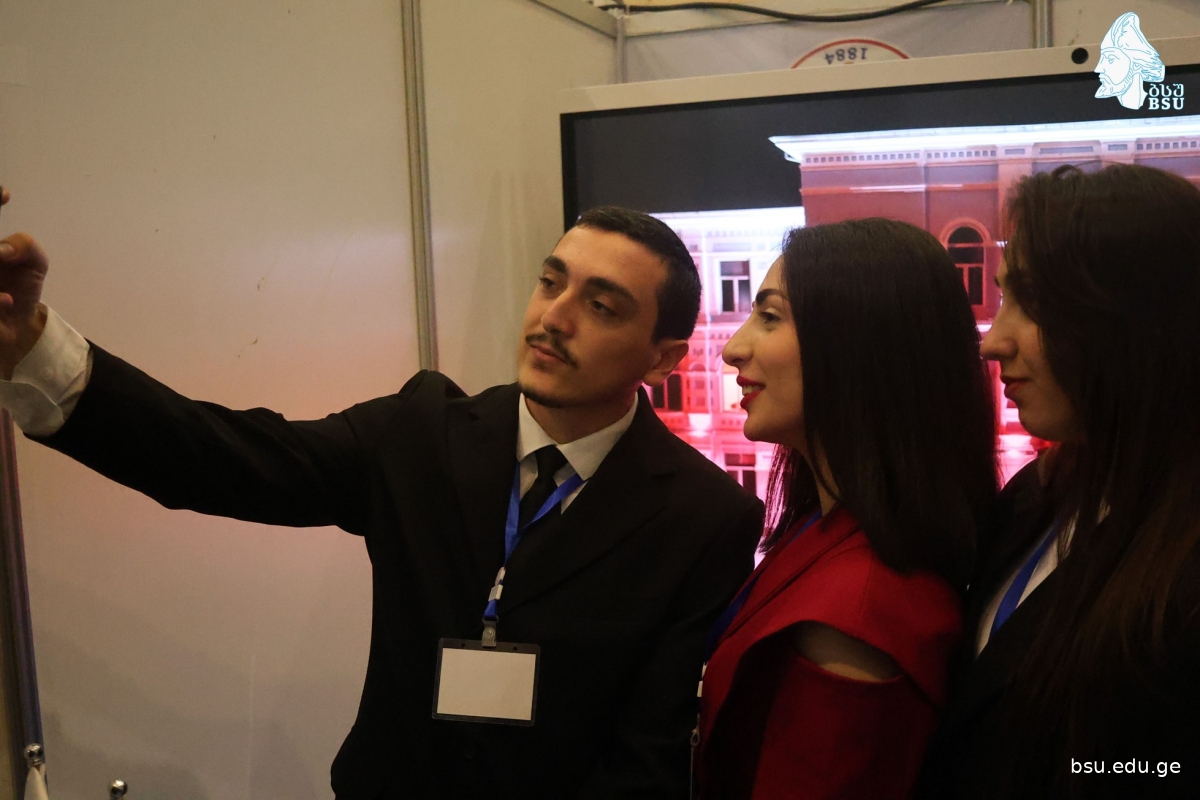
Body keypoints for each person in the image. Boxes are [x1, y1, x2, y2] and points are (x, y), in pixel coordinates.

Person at [0, 193, 764, 799]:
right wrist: (36, 347)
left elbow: (649, 758)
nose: (553, 317)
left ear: (663, 357)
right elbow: (216, 457)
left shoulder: (702, 516)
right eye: (550, 281)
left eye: (601, 306)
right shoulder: (422, 433)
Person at [919, 163, 1200, 799]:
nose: (993, 343)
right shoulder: (1038, 493)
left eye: (1035, 304)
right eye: (1003, 297)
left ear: (1141, 320)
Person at [695, 218, 997, 799]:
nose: (733, 348)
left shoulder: (861, 608)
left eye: (770, 316)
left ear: (859, 344)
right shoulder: (830, 524)